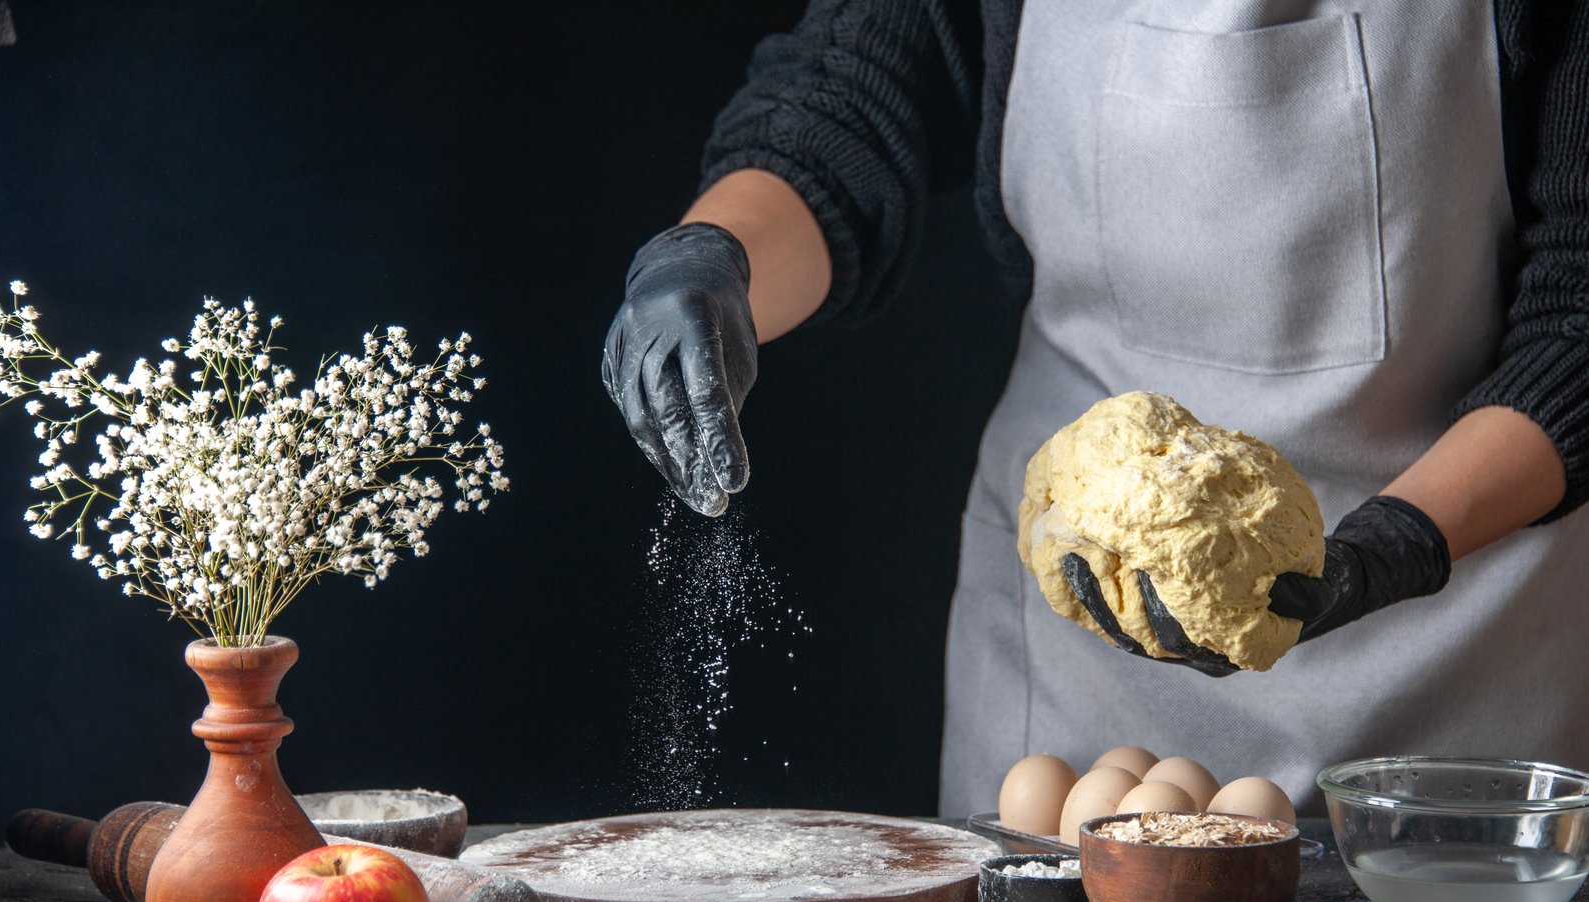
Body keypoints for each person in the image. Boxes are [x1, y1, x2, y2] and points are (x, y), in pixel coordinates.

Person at [601, 1, 1589, 814]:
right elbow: (845, 102)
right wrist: (714, 264)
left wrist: (1395, 545)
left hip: (1448, 677)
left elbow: (1577, 316)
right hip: (1083, 661)